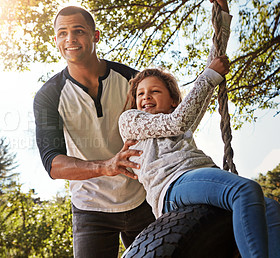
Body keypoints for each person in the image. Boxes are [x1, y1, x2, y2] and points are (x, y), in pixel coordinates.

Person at [118, 1, 280, 257]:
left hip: (199, 176)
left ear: (173, 100)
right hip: (172, 185)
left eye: (154, 91)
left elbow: (209, 74)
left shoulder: (181, 119)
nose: (145, 98)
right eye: (140, 93)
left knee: (268, 207)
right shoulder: (131, 121)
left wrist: (221, 17)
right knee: (245, 190)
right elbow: (178, 118)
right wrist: (209, 76)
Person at [33, 5, 155, 258]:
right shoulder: (49, 96)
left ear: (95, 36)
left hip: (144, 199)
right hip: (90, 208)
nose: (70, 39)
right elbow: (53, 164)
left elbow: (169, 123)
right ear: (56, 39)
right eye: (62, 33)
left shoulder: (132, 80)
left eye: (78, 31)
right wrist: (106, 166)